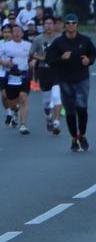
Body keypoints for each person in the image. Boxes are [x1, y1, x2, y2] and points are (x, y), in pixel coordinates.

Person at [46, 13, 96, 151]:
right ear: (64, 25)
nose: (71, 25)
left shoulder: (85, 40)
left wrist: (89, 61)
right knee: (70, 112)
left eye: (73, 23)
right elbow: (49, 60)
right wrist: (61, 58)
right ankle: (74, 138)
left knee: (82, 108)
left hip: (82, 79)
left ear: (77, 24)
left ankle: (83, 135)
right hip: (65, 80)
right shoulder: (59, 42)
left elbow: (93, 53)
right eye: (68, 23)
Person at [0, 23, 33, 135]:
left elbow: (34, 56)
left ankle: (23, 124)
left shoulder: (28, 45)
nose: (16, 33)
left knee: (23, 97)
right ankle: (15, 110)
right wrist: (4, 62)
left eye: (18, 31)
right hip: (10, 76)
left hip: (23, 75)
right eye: (14, 31)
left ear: (22, 33)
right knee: (10, 100)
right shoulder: (6, 46)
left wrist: (33, 62)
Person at [30, 16, 62, 135]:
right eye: (46, 24)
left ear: (54, 25)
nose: (48, 26)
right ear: (43, 26)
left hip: (57, 70)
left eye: (51, 23)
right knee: (47, 101)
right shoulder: (38, 39)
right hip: (43, 70)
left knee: (57, 95)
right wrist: (41, 57)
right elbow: (31, 54)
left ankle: (57, 122)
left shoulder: (60, 38)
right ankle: (48, 117)